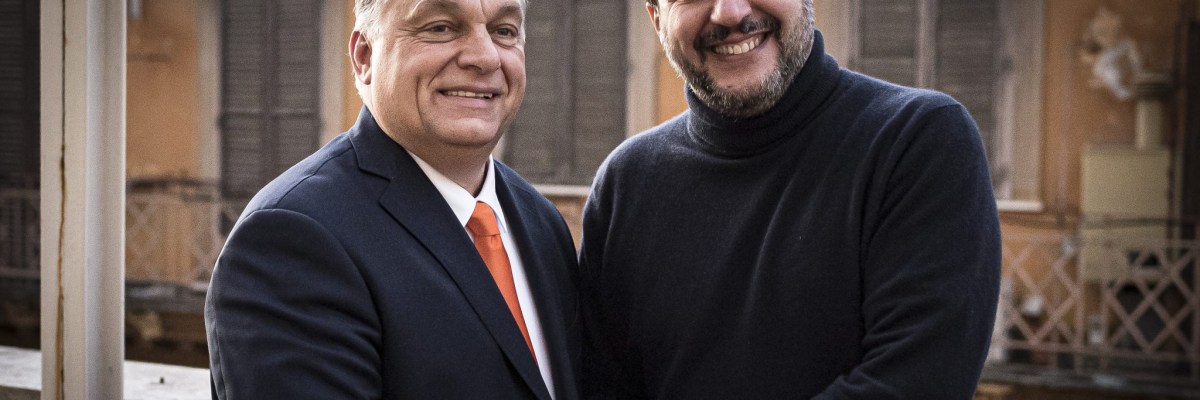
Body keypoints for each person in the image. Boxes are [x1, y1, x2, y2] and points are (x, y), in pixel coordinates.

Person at [578, 0, 1001, 399]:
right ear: (657, 19)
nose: (730, 13)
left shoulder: (917, 141)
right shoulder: (624, 186)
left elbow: (915, 382)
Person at [205, 0, 579, 398]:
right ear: (364, 56)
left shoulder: (541, 222)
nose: (485, 57)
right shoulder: (289, 238)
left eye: (504, 31)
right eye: (440, 27)